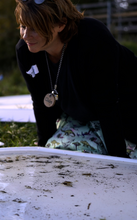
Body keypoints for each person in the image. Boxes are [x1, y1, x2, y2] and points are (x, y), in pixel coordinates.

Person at [15, 0, 137, 158]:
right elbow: (41, 103)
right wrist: (44, 149)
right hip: (83, 118)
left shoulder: (92, 38)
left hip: (125, 114)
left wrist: (118, 159)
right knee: (59, 156)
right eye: (23, 26)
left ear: (61, 24)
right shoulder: (26, 51)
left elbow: (108, 105)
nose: (25, 35)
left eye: (35, 28)